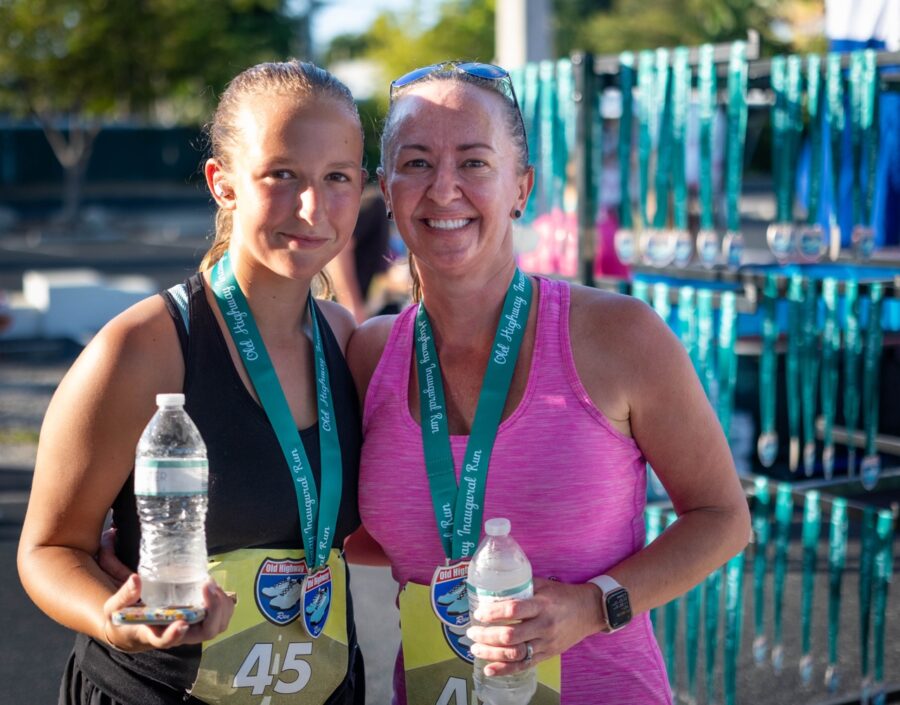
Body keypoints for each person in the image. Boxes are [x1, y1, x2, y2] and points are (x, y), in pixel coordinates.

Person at [345, 61, 751, 704]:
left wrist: (596, 605)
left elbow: (723, 519)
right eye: (416, 163)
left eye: (474, 163)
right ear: (387, 190)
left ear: (520, 187)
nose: (444, 188)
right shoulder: (370, 355)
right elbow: (355, 533)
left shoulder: (619, 335)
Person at [18, 60, 367, 705]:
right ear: (223, 183)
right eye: (281, 175)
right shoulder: (143, 348)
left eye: (337, 178)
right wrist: (118, 619)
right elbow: (48, 547)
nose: (312, 206)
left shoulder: (347, 341)